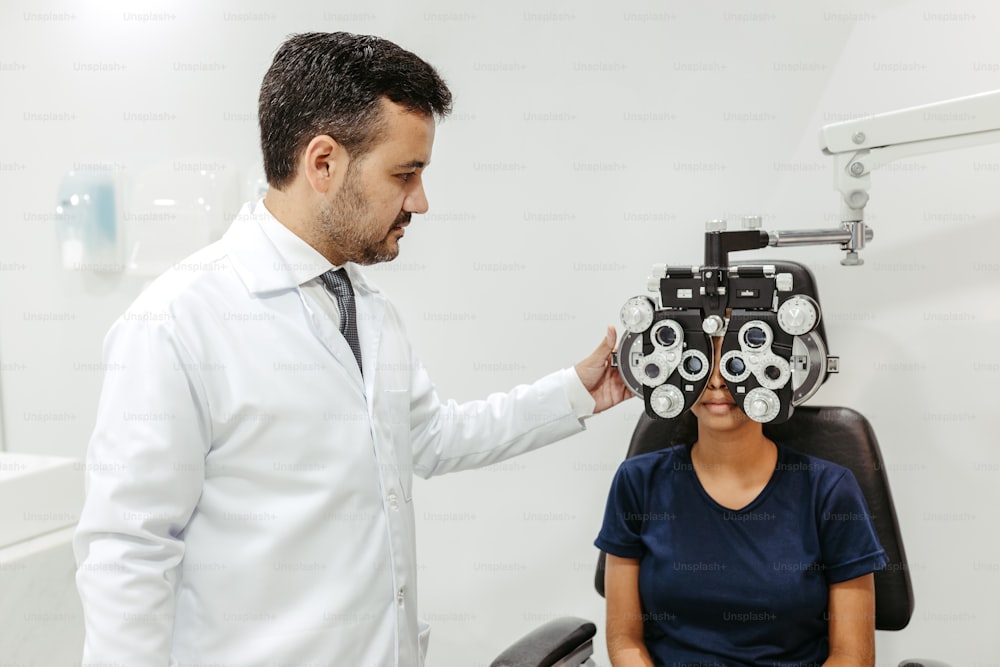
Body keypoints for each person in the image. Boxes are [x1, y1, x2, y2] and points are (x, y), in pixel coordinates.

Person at [73, 32, 630, 667]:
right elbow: (127, 552)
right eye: (405, 173)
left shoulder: (366, 308)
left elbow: (430, 437)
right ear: (323, 163)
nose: (420, 200)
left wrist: (578, 392)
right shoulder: (177, 323)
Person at [596, 336, 887, 667]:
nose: (718, 380)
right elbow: (625, 639)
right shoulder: (638, 482)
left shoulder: (830, 490)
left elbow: (852, 657)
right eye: (699, 362)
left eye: (736, 363)